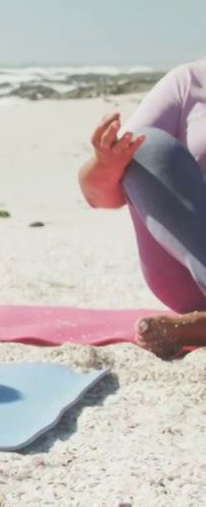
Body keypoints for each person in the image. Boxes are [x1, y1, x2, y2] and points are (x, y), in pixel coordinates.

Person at [77, 58, 206, 358]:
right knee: (147, 147)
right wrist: (106, 162)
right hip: (192, 265)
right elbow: (98, 197)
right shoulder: (188, 82)